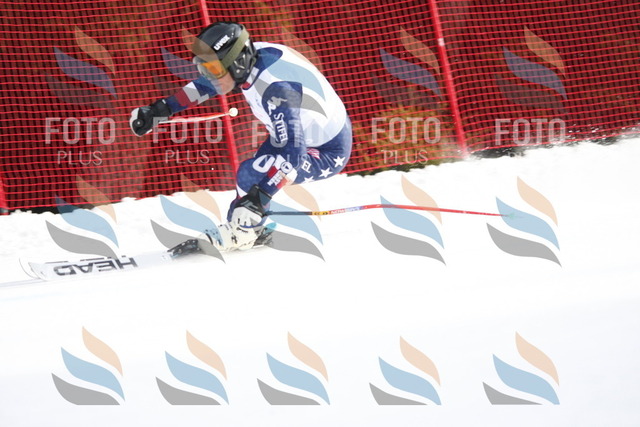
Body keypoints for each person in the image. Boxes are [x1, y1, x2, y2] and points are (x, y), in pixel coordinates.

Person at [130, 22, 352, 251]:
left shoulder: (277, 90)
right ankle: (246, 230)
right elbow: (206, 86)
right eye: (205, 69)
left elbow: (294, 156)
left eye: (213, 70)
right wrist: (162, 109)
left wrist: (260, 198)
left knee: (251, 175)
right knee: (248, 186)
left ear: (237, 64)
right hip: (298, 136)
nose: (209, 77)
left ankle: (243, 233)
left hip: (325, 150)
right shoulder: (250, 59)